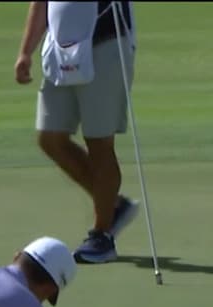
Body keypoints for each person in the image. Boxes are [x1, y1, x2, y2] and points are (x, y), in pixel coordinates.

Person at [16, 1, 139, 264]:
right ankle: (112, 204)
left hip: (107, 43)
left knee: (99, 143)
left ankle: (102, 236)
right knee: (50, 137)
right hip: (60, 46)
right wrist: (25, 51)